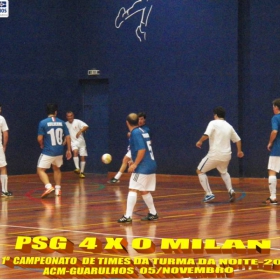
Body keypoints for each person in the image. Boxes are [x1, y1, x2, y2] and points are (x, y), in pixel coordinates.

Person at [196, 106, 244, 203]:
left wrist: (200, 141)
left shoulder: (213, 123)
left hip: (215, 154)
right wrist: (239, 151)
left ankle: (209, 194)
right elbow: (238, 139)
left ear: (216, 115)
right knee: (224, 172)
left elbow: (206, 134)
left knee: (200, 171)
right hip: (226, 155)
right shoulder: (229, 126)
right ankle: (231, 190)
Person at [117, 113, 158, 223]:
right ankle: (153, 213)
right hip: (151, 165)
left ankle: (128, 216)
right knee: (144, 191)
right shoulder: (143, 131)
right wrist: (133, 160)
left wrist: (135, 164)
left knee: (133, 189)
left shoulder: (135, 133)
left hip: (142, 167)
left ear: (127, 123)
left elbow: (142, 150)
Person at [37, 104, 72, 198]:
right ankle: (58, 189)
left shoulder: (43, 123)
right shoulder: (62, 123)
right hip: (59, 151)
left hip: (48, 151)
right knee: (56, 169)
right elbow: (68, 137)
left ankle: (48, 186)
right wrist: (69, 150)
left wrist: (41, 144)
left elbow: (40, 138)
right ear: (55, 112)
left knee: (40, 170)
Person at [108, 112, 150, 183]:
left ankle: (120, 178)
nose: (140, 121)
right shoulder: (135, 130)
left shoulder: (143, 130)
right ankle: (118, 177)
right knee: (126, 160)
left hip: (139, 149)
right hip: (134, 148)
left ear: (144, 120)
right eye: (139, 119)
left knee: (131, 162)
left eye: (142, 119)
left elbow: (145, 143)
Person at [65, 111, 89, 179]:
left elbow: (86, 126)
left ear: (73, 116)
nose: (70, 117)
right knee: (75, 152)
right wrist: (64, 141)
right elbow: (66, 135)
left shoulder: (78, 121)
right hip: (73, 142)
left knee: (82, 157)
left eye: (71, 116)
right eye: (68, 116)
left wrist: (80, 131)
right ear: (66, 117)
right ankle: (77, 168)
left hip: (81, 142)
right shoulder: (65, 124)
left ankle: (82, 172)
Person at [266, 98, 280, 204]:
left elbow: (275, 131)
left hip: (277, 149)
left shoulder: (276, 118)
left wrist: (270, 142)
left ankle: (273, 197)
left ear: (276, 107)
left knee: (272, 171)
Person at [0, 104, 12, 197]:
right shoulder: (1, 119)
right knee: (3, 167)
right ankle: (4, 191)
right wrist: (4, 146)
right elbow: (5, 134)